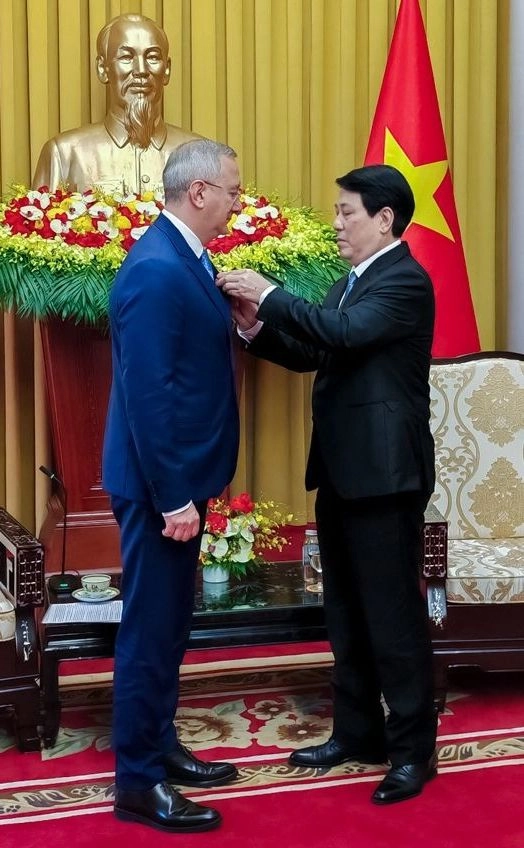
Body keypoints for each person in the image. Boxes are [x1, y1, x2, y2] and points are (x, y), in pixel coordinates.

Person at [218, 164, 438, 805]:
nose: (336, 223)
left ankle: (413, 753)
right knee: (344, 611)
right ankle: (357, 733)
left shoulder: (405, 281)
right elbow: (319, 350)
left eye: (347, 212)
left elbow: (345, 332)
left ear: (384, 219)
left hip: (386, 478)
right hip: (343, 472)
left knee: (392, 618)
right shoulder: (353, 281)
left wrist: (270, 292)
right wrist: (255, 325)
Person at [102, 138, 242, 832]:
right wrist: (173, 496)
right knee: (150, 630)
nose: (237, 202)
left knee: (169, 626)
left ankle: (158, 745)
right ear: (199, 192)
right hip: (163, 486)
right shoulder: (157, 269)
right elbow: (148, 397)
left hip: (179, 478)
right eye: (232, 191)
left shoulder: (184, 257)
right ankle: (138, 782)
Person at [32, 13, 199, 194]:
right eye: (126, 57)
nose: (141, 70)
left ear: (167, 69)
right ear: (103, 69)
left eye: (152, 57)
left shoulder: (202, 156)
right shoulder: (64, 153)